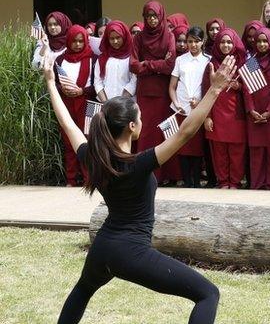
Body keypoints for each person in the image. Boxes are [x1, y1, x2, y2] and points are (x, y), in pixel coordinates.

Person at [46, 49, 237, 324]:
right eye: (140, 117)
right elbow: (186, 132)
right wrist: (216, 88)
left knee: (83, 289)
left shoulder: (94, 156)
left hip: (103, 248)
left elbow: (67, 123)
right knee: (208, 293)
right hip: (131, 252)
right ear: (132, 126)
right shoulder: (138, 164)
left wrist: (51, 82)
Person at [130, 0, 179, 183]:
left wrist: (147, 64)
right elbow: (133, 66)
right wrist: (157, 64)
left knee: (163, 132)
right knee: (145, 133)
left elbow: (170, 65)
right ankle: (146, 174)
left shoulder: (169, 36)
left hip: (163, 93)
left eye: (155, 16)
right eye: (148, 16)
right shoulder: (139, 38)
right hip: (144, 92)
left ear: (161, 16)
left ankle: (165, 175)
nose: (151, 20)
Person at [203, 28, 248, 189]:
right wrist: (207, 116)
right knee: (219, 151)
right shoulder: (211, 64)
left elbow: (251, 91)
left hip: (237, 114)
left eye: (229, 42)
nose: (226, 45)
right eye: (222, 42)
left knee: (237, 151)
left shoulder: (242, 63)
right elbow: (205, 91)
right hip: (216, 113)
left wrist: (240, 86)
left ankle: (234, 181)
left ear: (235, 43)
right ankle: (223, 181)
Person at [54, 25, 97, 187]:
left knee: (87, 141)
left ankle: (88, 178)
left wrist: (82, 91)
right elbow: (55, 83)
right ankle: (71, 179)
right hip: (66, 104)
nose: (78, 45)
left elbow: (97, 85)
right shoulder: (60, 59)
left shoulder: (93, 59)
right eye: (74, 41)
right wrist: (62, 89)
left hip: (87, 104)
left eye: (81, 41)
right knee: (68, 141)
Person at [168, 26, 210, 188]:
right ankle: (186, 181)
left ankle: (197, 182)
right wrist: (177, 103)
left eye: (196, 41)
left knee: (197, 147)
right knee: (183, 146)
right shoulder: (180, 60)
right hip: (181, 108)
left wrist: (200, 103)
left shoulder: (208, 60)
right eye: (190, 41)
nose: (193, 45)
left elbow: (209, 86)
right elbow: (172, 86)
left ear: (203, 42)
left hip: (199, 109)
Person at [242, 28, 270, 189]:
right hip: (254, 114)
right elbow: (247, 89)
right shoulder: (251, 62)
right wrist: (251, 110)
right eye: (258, 41)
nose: (261, 44)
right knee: (257, 152)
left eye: (265, 41)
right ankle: (257, 184)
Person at [94, 20, 136, 102]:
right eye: (112, 38)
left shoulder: (132, 56)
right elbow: (97, 81)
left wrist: (120, 102)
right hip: (106, 104)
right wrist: (106, 103)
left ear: (124, 36)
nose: (115, 41)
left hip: (127, 103)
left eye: (118, 37)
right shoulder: (102, 58)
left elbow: (134, 81)